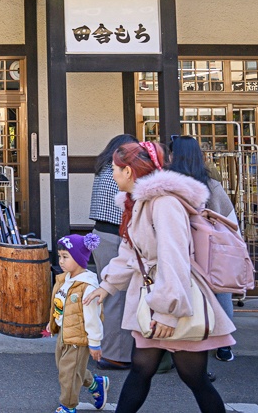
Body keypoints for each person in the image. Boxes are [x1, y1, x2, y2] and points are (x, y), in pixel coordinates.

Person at [85, 141, 235, 413]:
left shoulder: (164, 204)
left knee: (193, 378)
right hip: (158, 301)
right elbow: (130, 252)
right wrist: (106, 286)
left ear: (129, 171)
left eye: (115, 169)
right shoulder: (141, 203)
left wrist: (166, 312)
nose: (113, 174)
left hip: (173, 303)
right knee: (142, 370)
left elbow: (174, 259)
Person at [168, 135, 238, 364]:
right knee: (220, 291)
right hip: (212, 249)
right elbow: (230, 220)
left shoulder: (170, 186)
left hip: (183, 249)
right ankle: (224, 344)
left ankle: (188, 338)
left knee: (187, 292)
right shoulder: (211, 184)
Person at [88, 133, 138, 370]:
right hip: (115, 236)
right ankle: (115, 354)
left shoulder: (103, 168)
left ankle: (100, 346)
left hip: (99, 234)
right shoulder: (120, 172)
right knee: (117, 294)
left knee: (105, 291)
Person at [48, 233, 109, 413]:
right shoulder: (65, 279)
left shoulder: (87, 287)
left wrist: (95, 343)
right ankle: (94, 384)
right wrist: (52, 322)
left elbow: (93, 317)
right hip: (64, 334)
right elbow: (59, 305)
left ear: (79, 258)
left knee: (68, 374)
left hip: (79, 338)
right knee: (67, 368)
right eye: (60, 256)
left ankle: (67, 406)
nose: (61, 261)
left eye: (66, 257)